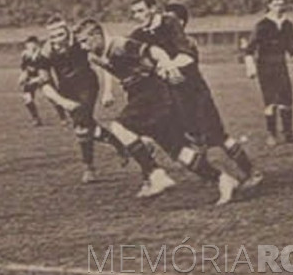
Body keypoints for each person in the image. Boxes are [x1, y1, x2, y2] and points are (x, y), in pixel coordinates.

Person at [76, 18, 244, 205]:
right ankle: (223, 179)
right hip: (144, 96)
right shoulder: (95, 55)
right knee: (179, 152)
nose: (83, 47)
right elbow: (112, 66)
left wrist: (167, 65)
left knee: (118, 127)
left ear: (97, 36)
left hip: (154, 93)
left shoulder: (120, 45)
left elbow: (154, 51)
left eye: (85, 41)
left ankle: (155, 174)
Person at [129, 0, 262, 190]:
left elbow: (188, 57)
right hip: (168, 94)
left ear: (153, 9)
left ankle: (250, 172)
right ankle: (158, 179)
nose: (137, 16)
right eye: (134, 12)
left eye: (140, 11)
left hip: (193, 91)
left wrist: (171, 68)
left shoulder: (171, 25)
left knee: (216, 135)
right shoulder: (138, 34)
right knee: (176, 136)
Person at [35, 15, 127, 183]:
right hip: (65, 91)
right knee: (86, 125)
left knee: (82, 126)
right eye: (52, 36)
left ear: (67, 30)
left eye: (60, 34)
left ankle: (89, 168)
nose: (56, 39)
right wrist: (62, 102)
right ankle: (119, 144)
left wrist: (108, 91)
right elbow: (45, 84)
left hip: (87, 86)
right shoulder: (46, 51)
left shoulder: (81, 42)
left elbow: (104, 63)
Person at [244, 0, 293, 147]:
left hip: (281, 65)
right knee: (270, 101)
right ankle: (271, 134)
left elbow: (292, 48)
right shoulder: (262, 25)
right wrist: (250, 67)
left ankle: (288, 134)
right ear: (269, 6)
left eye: (281, 4)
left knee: (286, 100)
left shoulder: (287, 25)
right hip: (265, 66)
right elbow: (249, 49)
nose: (279, 8)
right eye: (275, 5)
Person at [17, 35, 66, 127]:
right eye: (27, 45)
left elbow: (44, 76)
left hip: (44, 78)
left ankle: (63, 118)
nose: (29, 47)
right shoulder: (25, 55)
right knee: (27, 98)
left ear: (36, 45)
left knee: (53, 98)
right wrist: (22, 77)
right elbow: (25, 69)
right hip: (31, 78)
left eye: (31, 45)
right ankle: (36, 119)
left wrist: (33, 81)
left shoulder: (42, 56)